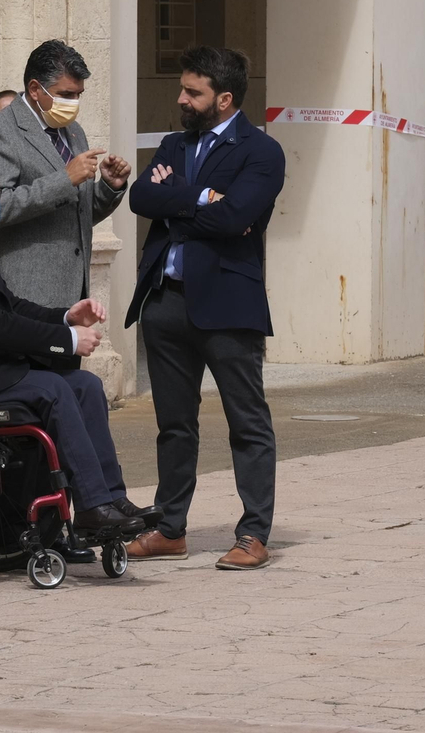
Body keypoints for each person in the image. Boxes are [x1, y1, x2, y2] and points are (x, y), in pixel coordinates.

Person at [0, 148, 157, 534]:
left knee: (86, 385)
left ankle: (108, 498)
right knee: (52, 388)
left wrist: (64, 316)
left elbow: (10, 306)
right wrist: (65, 340)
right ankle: (91, 509)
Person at [123, 45, 284, 570]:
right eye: (183, 89)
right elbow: (142, 199)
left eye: (193, 92)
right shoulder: (173, 143)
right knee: (173, 423)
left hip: (227, 306)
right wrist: (202, 199)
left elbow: (238, 216)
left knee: (247, 421)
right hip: (165, 302)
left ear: (225, 98)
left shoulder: (261, 152)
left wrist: (185, 201)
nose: (182, 99)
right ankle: (170, 528)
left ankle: (253, 534)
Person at [0, 40, 131, 313]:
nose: (74, 102)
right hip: (25, 294)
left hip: (74, 293)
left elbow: (77, 214)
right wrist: (64, 179)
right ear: (35, 89)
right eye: (66, 94)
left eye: (79, 94)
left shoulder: (74, 131)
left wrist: (108, 187)